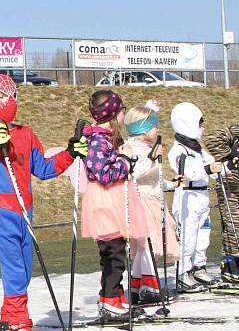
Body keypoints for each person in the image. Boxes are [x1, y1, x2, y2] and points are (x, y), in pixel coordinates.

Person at [0, 71, 83, 331]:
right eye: (1, 95)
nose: (9, 100)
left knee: (24, 272)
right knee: (15, 270)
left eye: (12, 94)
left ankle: (7, 328)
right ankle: (19, 326)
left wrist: (70, 153)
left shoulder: (25, 133)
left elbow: (43, 169)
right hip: (1, 211)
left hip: (25, 210)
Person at [81, 90, 150, 319]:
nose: (123, 115)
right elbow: (103, 173)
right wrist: (125, 163)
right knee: (113, 252)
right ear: (111, 113)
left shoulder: (108, 137)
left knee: (118, 248)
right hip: (104, 200)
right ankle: (109, 296)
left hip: (114, 198)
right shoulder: (98, 140)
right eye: (121, 111)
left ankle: (114, 293)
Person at [120, 101, 180, 303]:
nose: (157, 130)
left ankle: (138, 285)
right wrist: (153, 159)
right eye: (154, 126)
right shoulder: (130, 148)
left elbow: (154, 178)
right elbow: (133, 172)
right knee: (148, 245)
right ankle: (149, 286)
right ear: (142, 128)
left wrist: (172, 184)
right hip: (140, 202)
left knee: (148, 247)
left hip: (154, 201)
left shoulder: (148, 147)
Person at [168, 102, 225, 291]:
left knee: (203, 234)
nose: (202, 128)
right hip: (187, 196)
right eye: (200, 124)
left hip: (202, 195)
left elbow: (212, 166)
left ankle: (199, 267)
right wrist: (208, 169)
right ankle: (183, 272)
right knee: (188, 236)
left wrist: (227, 165)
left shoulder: (197, 149)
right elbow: (187, 172)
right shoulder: (179, 149)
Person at [202, 125, 239, 284]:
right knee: (234, 226)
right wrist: (232, 155)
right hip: (231, 186)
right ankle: (232, 268)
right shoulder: (236, 131)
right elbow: (212, 140)